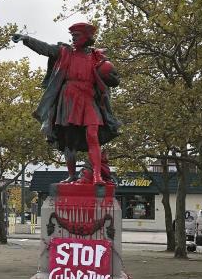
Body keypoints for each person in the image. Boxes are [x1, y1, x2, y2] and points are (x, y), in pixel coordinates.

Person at [13, 22, 121, 184]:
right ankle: (71, 175)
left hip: (88, 99)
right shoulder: (65, 52)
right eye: (72, 37)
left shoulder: (96, 57)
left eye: (76, 36)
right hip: (68, 100)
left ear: (87, 37)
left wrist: (112, 77)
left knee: (93, 135)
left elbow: (112, 77)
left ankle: (97, 175)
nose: (73, 39)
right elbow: (46, 49)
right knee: (69, 141)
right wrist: (26, 39)